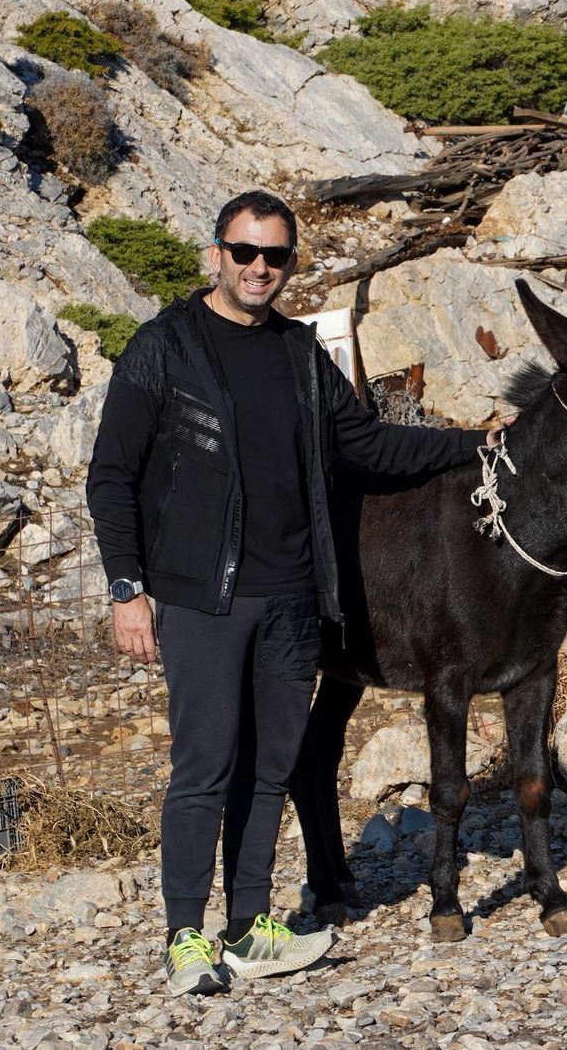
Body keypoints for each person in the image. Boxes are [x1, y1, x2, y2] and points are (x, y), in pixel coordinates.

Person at [87, 190, 494, 995]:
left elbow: (367, 442)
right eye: (245, 252)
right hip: (205, 595)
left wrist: (473, 442)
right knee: (206, 764)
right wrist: (127, 588)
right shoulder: (164, 347)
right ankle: (184, 937)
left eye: (276, 257)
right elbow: (111, 476)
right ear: (216, 253)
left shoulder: (302, 353)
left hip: (294, 599)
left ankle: (247, 929)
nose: (259, 269)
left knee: (269, 769)